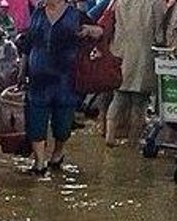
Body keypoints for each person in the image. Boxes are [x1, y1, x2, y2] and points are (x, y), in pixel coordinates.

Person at [18, 0, 103, 175]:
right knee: (36, 120)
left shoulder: (76, 16)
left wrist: (89, 31)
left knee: (63, 124)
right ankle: (39, 162)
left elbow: (100, 31)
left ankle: (57, 154)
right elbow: (28, 45)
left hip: (66, 79)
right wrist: (22, 70)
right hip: (38, 79)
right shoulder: (37, 15)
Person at [105, 0, 159, 146]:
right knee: (139, 101)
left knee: (118, 96)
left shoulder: (121, 1)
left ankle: (110, 136)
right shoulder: (155, 3)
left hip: (121, 53)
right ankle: (133, 141)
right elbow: (159, 32)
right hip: (144, 56)